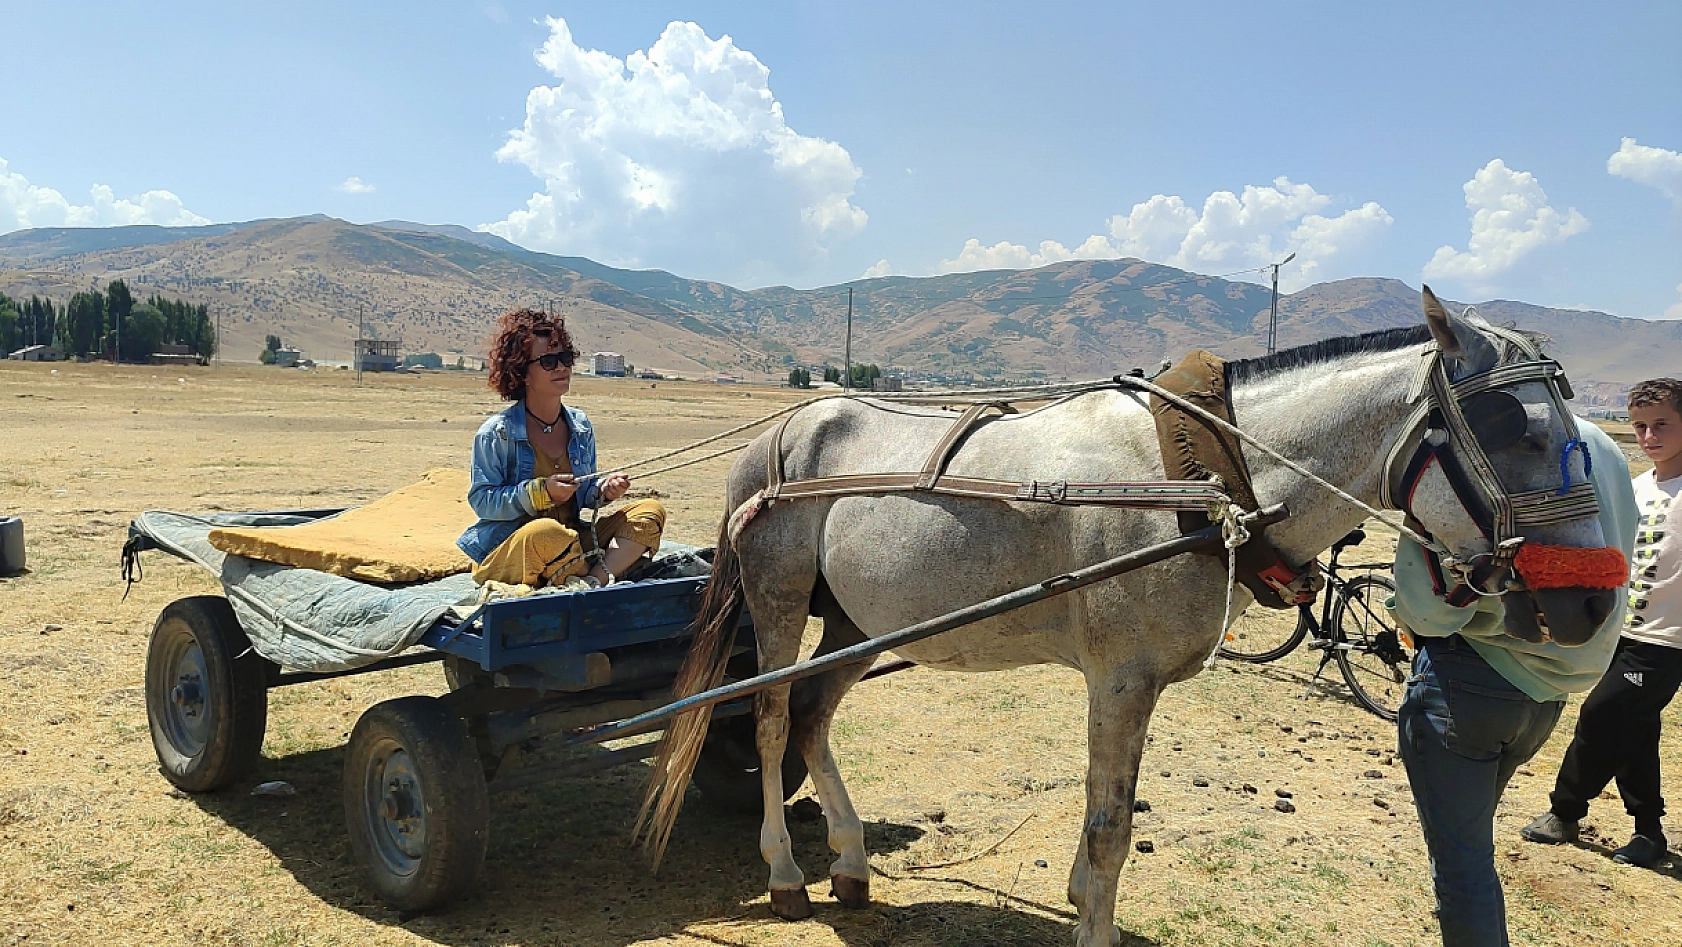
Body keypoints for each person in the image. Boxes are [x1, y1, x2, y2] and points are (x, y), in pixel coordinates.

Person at [1390, 417, 1638, 947]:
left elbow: (1431, 610)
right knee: (1470, 853)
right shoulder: (1605, 448)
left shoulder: (1481, 439)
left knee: (1462, 866)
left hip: (1469, 677)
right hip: (1548, 694)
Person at [1521, 378, 1682, 868]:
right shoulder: (1636, 488)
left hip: (1666, 641)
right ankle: (1649, 833)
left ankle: (1564, 812)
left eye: (1662, 425)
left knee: (1600, 716)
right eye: (1640, 426)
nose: (1649, 436)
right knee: (1635, 730)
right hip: (1621, 631)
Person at [456, 308, 665, 588]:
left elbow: (585, 493)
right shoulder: (497, 433)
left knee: (649, 511)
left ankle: (591, 582)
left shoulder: (580, 425)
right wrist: (539, 493)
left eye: (565, 359)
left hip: (571, 540)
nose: (561, 368)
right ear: (522, 373)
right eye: (548, 361)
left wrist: (604, 490)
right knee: (545, 532)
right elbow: (483, 502)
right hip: (519, 546)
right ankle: (588, 572)